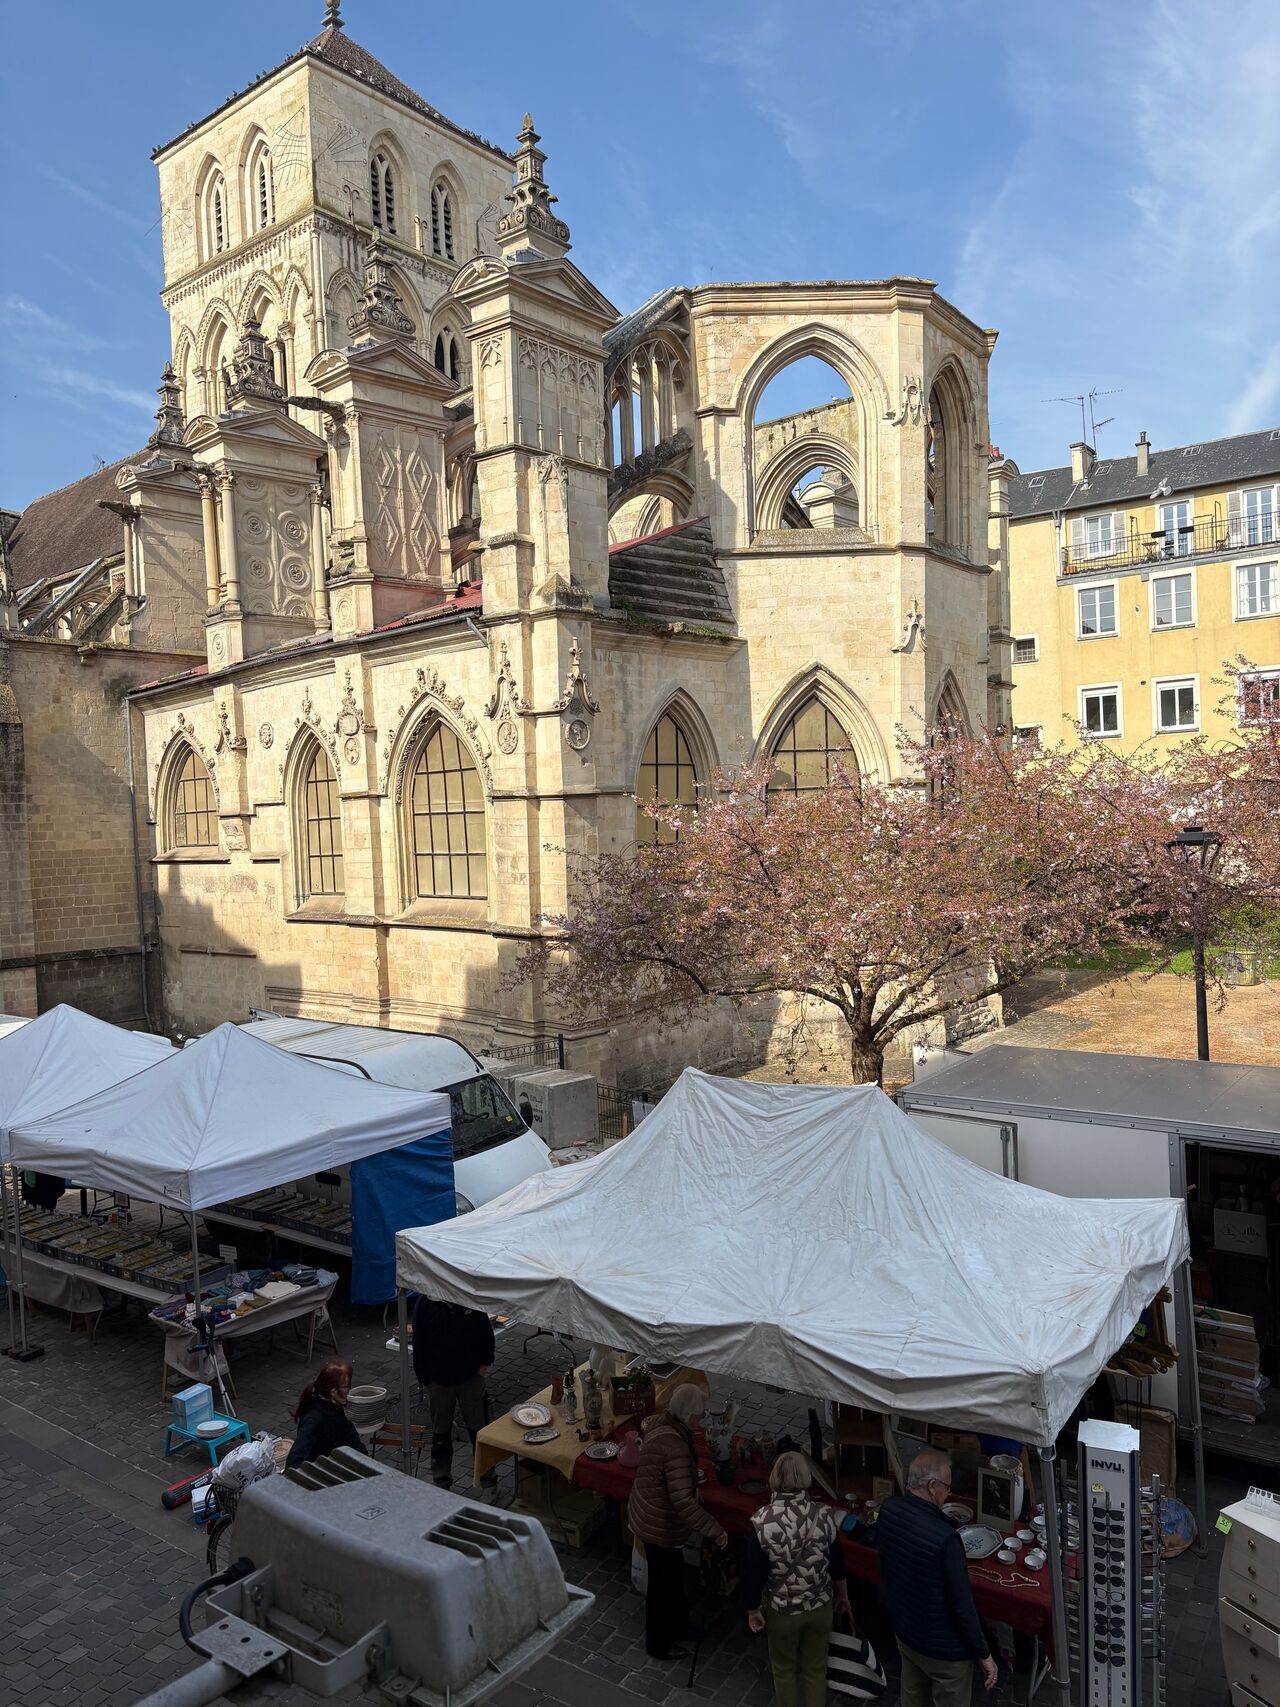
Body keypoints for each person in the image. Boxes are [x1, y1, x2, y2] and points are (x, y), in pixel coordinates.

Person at [871, 1447, 998, 1704]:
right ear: (932, 1486)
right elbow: (961, 1604)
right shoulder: (946, 1539)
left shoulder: (889, 1510)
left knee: (912, 1698)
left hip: (907, 1635)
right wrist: (984, 1654)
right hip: (944, 1651)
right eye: (947, 1488)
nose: (947, 1494)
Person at [627, 1383, 729, 1661]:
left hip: (651, 1514)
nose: (701, 1420)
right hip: (657, 1524)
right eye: (699, 1415)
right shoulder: (675, 1445)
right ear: (691, 1415)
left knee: (672, 1579)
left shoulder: (665, 1425)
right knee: (662, 1586)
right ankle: (658, 1644)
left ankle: (682, 1627)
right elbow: (683, 1501)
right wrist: (715, 1529)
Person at [744, 1451, 851, 1707]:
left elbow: (753, 1575)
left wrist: (752, 1610)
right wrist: (843, 1597)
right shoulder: (825, 1516)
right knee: (815, 1670)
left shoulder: (761, 1522)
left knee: (784, 1670)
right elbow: (838, 1566)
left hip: (783, 1611)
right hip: (819, 1606)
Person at [411, 1294, 495, 1487]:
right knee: (441, 1432)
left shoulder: (467, 1297)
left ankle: (488, 1480)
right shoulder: (425, 1304)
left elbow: (485, 1332)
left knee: (480, 1430)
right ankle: (441, 1480)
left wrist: (484, 1365)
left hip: (471, 1378)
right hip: (439, 1382)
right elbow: (419, 1343)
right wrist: (426, 1379)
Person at [285, 1361, 364, 1469]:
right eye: (347, 1386)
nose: (350, 1390)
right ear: (333, 1392)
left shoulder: (335, 1409)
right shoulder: (314, 1419)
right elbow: (294, 1461)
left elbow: (352, 1440)